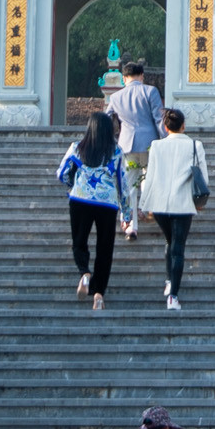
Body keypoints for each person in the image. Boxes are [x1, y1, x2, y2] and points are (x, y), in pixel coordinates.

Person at [58, 111, 134, 311]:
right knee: (105, 249)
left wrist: (73, 185)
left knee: (79, 241)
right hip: (107, 204)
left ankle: (84, 273)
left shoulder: (77, 148)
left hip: (80, 200)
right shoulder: (116, 152)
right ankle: (98, 294)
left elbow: (62, 172)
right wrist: (127, 214)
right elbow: (123, 185)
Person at [139, 107, 211, 311]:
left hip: (160, 203)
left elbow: (149, 177)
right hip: (183, 203)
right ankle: (173, 296)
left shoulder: (156, 146)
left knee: (169, 241)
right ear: (183, 125)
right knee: (178, 248)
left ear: (165, 126)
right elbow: (202, 177)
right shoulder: (194, 145)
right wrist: (200, 200)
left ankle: (169, 280)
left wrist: (144, 204)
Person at [106, 59, 165, 185]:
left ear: (124, 78)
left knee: (129, 182)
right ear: (142, 76)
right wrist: (166, 138)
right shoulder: (151, 91)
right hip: (149, 142)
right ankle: (145, 205)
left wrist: (111, 139)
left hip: (127, 143)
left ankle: (129, 205)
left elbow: (106, 117)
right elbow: (159, 118)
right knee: (148, 182)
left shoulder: (115, 97)